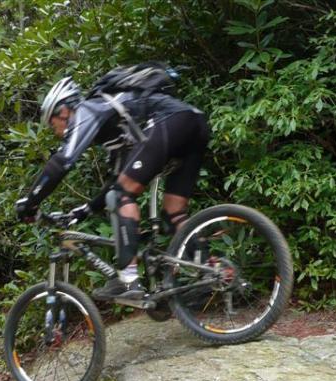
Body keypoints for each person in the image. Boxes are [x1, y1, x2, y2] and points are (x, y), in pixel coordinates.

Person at [15, 75, 209, 300]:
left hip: (170, 121)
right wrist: (84, 210)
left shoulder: (88, 109)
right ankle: (211, 271)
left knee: (120, 197)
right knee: (173, 212)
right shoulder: (116, 125)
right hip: (194, 123)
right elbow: (115, 181)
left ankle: (128, 280)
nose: (55, 131)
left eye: (52, 123)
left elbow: (63, 161)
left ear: (63, 111)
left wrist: (31, 202)